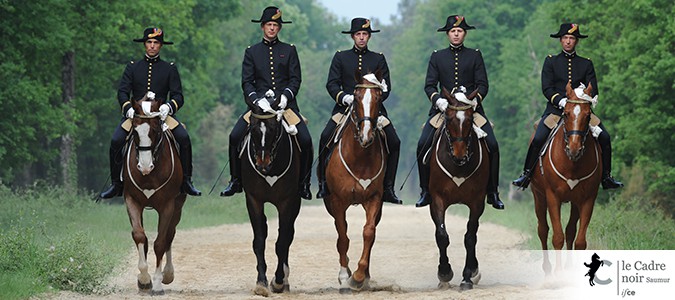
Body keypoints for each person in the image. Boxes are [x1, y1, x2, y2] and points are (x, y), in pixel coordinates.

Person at [512, 23, 623, 190]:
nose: (568, 41)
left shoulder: (586, 64)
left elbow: (594, 89)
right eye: (565, 38)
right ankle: (527, 173)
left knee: (605, 137)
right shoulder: (551, 61)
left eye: (572, 38)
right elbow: (547, 88)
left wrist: (581, 96)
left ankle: (606, 177)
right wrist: (561, 101)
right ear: (560, 40)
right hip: (556, 111)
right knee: (538, 138)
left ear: (576, 41)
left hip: (581, 111)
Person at [220, 6, 313, 200]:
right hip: (258, 107)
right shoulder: (251, 52)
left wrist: (286, 96)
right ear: (262, 27)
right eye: (269, 25)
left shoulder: (289, 50)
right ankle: (235, 180)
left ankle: (304, 183)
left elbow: (295, 79)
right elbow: (247, 82)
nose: (272, 28)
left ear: (279, 28)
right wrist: (256, 100)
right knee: (234, 136)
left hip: (285, 107)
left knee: (306, 140)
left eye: (275, 25)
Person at [100, 27, 201, 199]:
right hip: (137, 116)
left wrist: (169, 107)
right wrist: (128, 108)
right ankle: (117, 184)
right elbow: (122, 92)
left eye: (156, 43)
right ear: (144, 44)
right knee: (116, 140)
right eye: (149, 42)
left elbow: (178, 95)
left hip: (160, 116)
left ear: (160, 46)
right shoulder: (132, 67)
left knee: (184, 138)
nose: (152, 46)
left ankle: (186, 181)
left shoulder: (169, 68)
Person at [415, 15, 504, 209]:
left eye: (460, 31)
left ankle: (493, 192)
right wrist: (438, 100)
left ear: (464, 34)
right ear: (448, 34)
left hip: (471, 110)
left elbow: (483, 85)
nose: (456, 34)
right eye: (453, 31)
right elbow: (430, 85)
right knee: (422, 143)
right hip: (444, 110)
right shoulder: (437, 56)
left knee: (493, 144)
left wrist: (473, 101)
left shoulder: (475, 55)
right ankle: (425, 191)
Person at [317, 17, 402, 204]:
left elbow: (386, 88)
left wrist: (376, 100)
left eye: (365, 34)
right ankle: (323, 183)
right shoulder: (341, 57)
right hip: (345, 108)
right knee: (325, 137)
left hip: (374, 112)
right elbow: (332, 84)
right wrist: (344, 97)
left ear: (369, 36)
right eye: (358, 34)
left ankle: (388, 187)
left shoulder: (378, 58)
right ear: (353, 36)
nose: (361, 38)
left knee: (394, 141)